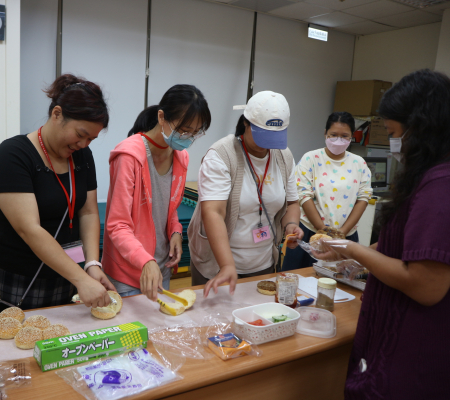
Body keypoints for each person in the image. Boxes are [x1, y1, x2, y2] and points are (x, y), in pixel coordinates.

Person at [313, 69, 450, 399]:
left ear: (421, 127)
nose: (393, 144)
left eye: (392, 133)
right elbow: (403, 246)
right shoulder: (427, 176)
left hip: (412, 354)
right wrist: (347, 250)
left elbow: (426, 285)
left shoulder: (440, 186)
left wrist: (355, 250)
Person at [0, 74, 116, 314]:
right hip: (24, 276)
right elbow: (29, 229)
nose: (84, 144)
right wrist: (81, 279)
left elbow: (88, 212)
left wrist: (92, 264)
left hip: (69, 274)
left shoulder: (82, 157)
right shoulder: (13, 155)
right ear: (57, 114)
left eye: (91, 139)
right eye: (80, 134)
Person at [188, 91, 304, 297]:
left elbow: (292, 203)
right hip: (218, 265)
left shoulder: (284, 156)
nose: (267, 144)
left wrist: (291, 225)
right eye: (263, 136)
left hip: (263, 263)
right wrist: (226, 265)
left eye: (273, 137)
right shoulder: (222, 155)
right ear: (246, 123)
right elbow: (213, 212)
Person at [102, 85, 211, 301]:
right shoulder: (129, 156)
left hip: (160, 268)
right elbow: (117, 224)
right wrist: (145, 261)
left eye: (195, 132)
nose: (188, 137)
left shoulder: (181, 156)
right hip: (127, 272)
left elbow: (169, 208)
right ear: (161, 117)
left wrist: (176, 231)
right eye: (184, 130)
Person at [281, 112, 372, 271]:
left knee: (341, 279)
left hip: (346, 235)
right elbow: (303, 195)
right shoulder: (311, 159)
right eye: (333, 135)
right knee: (299, 277)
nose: (338, 140)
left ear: (351, 136)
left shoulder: (359, 163)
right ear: (325, 133)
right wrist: (322, 230)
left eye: (344, 136)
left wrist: (341, 233)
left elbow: (363, 198)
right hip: (310, 232)